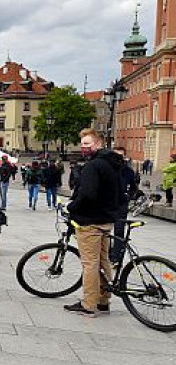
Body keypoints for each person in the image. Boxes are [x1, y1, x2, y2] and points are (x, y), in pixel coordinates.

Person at [64, 128, 124, 318]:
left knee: (90, 263)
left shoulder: (93, 165)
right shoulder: (113, 163)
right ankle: (103, 300)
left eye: (87, 144)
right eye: (82, 144)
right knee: (103, 260)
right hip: (106, 218)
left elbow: (87, 194)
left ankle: (89, 304)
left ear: (98, 144)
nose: (83, 147)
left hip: (90, 220)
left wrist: (72, 207)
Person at [111, 146, 142, 264]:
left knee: (119, 231)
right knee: (101, 231)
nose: (118, 159)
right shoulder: (106, 169)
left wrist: (128, 196)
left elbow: (133, 187)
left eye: (121, 156)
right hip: (106, 205)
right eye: (115, 156)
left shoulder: (128, 171)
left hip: (121, 205)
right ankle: (105, 254)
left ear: (124, 157)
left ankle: (115, 257)